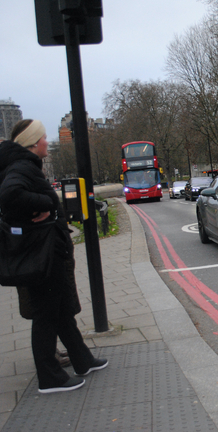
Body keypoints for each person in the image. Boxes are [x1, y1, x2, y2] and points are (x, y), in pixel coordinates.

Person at [0, 119, 108, 394]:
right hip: (42, 254)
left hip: (48, 252)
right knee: (46, 315)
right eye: (44, 138)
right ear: (34, 143)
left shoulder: (24, 166)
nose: (48, 142)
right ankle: (50, 378)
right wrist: (45, 204)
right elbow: (10, 194)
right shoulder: (21, 168)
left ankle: (82, 360)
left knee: (59, 311)